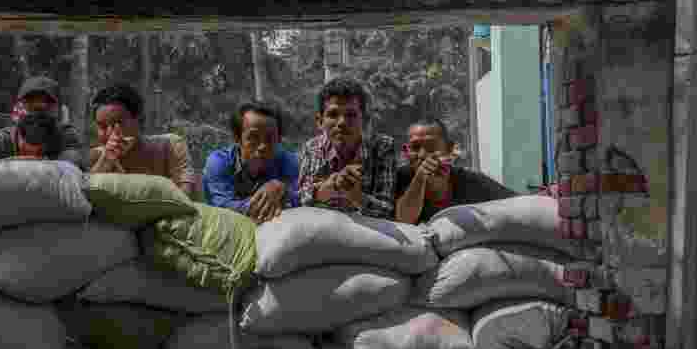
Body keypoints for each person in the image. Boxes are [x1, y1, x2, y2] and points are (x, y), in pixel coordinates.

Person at [298, 77, 397, 219]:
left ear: (364, 120)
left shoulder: (383, 147)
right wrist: (328, 188)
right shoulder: (311, 148)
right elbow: (302, 198)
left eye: (351, 115)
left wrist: (355, 195)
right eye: (333, 114)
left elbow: (387, 210)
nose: (342, 122)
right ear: (320, 121)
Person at [394, 117, 516, 225]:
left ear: (449, 149)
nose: (422, 154)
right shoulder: (399, 179)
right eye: (415, 147)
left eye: (431, 146)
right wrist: (420, 179)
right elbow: (404, 220)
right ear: (406, 151)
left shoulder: (470, 181)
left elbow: (517, 203)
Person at [0, 76, 85, 170]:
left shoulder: (66, 136)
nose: (37, 115)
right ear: (17, 111)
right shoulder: (0, 140)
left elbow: (70, 170)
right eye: (30, 106)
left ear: (59, 113)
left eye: (45, 108)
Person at [88, 82, 197, 196]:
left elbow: (185, 197)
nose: (110, 133)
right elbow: (85, 202)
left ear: (140, 120)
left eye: (118, 123)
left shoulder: (170, 147)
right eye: (102, 126)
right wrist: (106, 162)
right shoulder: (96, 158)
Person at [202, 102, 299, 224]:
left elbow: (300, 196)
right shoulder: (218, 163)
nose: (262, 146)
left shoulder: (288, 161)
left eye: (270, 138)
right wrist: (266, 200)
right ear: (237, 138)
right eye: (253, 137)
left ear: (279, 139)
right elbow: (222, 207)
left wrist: (283, 190)